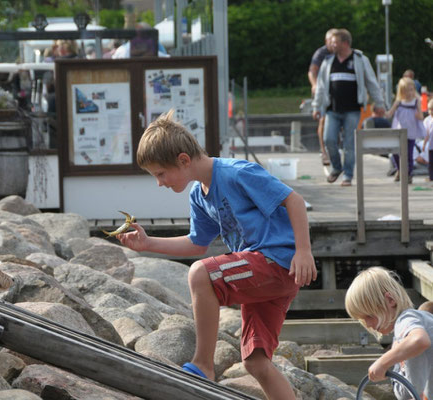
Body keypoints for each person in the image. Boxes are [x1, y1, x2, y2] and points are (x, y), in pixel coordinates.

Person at [117, 110, 317, 399]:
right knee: (256, 362)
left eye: (160, 174)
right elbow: (198, 244)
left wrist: (303, 250)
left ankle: (203, 365)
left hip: (276, 262)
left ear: (183, 160)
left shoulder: (237, 173)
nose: (159, 182)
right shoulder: (199, 194)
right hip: (260, 277)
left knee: (201, 274)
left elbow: (293, 200)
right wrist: (148, 244)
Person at [312, 28, 386, 187]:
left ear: (345, 43)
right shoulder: (328, 61)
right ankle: (336, 167)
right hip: (332, 109)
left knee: (349, 144)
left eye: (335, 42)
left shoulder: (359, 59)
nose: (331, 44)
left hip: (352, 110)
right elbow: (321, 87)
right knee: (329, 139)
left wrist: (379, 104)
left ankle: (348, 175)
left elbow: (371, 83)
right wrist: (316, 106)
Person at [345, 267, 433, 399]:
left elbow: (420, 340)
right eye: (363, 320)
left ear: (390, 300)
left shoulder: (405, 320)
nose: (368, 324)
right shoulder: (411, 327)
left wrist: (383, 362)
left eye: (369, 316)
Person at [385, 77, 425, 183]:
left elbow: (421, 116)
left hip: (410, 132)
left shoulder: (416, 102)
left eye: (412, 90)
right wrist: (385, 112)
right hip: (399, 131)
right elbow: (390, 112)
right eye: (407, 90)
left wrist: (418, 115)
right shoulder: (399, 102)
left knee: (409, 154)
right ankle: (399, 170)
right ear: (402, 91)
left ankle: (409, 174)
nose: (410, 93)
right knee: (395, 152)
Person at [308, 28, 337, 166]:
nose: (334, 44)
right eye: (331, 41)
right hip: (323, 90)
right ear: (327, 41)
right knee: (323, 120)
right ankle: (324, 151)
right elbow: (312, 72)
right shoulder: (321, 53)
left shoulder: (341, 53)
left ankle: (334, 148)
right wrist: (314, 85)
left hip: (337, 92)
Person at [422, 98, 433, 182]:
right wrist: (424, 144)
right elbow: (426, 134)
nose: (431, 112)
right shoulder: (427, 120)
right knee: (431, 163)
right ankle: (431, 177)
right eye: (430, 109)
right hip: (431, 145)